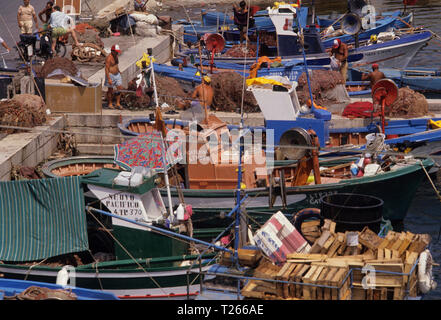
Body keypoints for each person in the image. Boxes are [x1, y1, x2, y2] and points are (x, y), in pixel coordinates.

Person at [105, 44, 124, 110]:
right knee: (110, 90)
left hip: (117, 74)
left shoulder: (116, 56)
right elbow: (106, 69)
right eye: (116, 52)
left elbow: (116, 65)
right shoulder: (109, 58)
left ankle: (117, 103)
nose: (117, 53)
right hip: (111, 75)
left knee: (120, 88)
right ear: (112, 51)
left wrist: (119, 71)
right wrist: (109, 79)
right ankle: (110, 103)